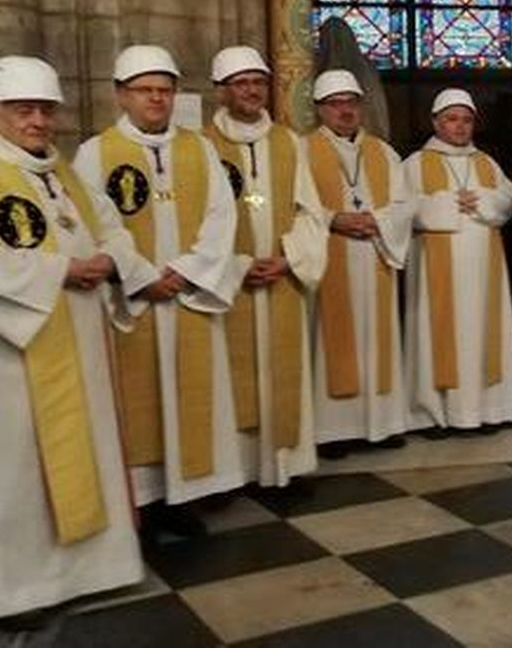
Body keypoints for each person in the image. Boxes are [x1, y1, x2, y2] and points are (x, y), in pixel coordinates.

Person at [0, 57, 143, 641]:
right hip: (4, 359)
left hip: (77, 341)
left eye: (46, 109)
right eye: (24, 109)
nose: (38, 121)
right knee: (11, 471)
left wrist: (112, 259)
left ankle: (82, 571)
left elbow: (111, 224)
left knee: (74, 456)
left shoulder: (64, 173)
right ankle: (9, 589)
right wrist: (60, 271)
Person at [75, 44, 243, 531]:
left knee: (189, 396)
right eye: (144, 91)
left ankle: (183, 498)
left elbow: (221, 215)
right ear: (120, 96)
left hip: (188, 293)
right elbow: (93, 226)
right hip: (134, 300)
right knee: (138, 399)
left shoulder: (199, 148)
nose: (155, 99)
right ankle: (142, 503)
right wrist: (142, 277)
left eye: (164, 91)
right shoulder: (95, 153)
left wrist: (187, 271)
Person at [205, 46, 327, 488]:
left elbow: (311, 211)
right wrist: (236, 265)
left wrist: (290, 257)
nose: (252, 91)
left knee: (280, 373)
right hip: (231, 284)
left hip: (280, 278)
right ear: (221, 91)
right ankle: (234, 472)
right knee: (232, 377)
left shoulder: (287, 142)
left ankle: (285, 466)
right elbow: (196, 221)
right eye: (241, 83)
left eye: (258, 82)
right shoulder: (202, 146)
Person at [304, 70, 412, 455]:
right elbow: (294, 208)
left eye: (351, 102)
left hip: (374, 253)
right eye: (335, 104)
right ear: (320, 109)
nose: (345, 111)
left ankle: (383, 423)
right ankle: (334, 430)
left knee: (376, 336)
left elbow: (404, 205)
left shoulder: (384, 152)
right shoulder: (302, 151)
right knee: (333, 339)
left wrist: (377, 221)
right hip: (330, 254)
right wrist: (334, 219)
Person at [403, 88, 512, 433]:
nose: (460, 127)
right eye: (452, 119)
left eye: (466, 120)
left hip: (484, 271)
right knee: (435, 333)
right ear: (435, 122)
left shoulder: (486, 162)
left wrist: (484, 199)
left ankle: (486, 411)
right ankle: (434, 413)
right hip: (434, 271)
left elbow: (510, 198)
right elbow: (400, 209)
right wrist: (446, 203)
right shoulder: (415, 164)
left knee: (484, 334)